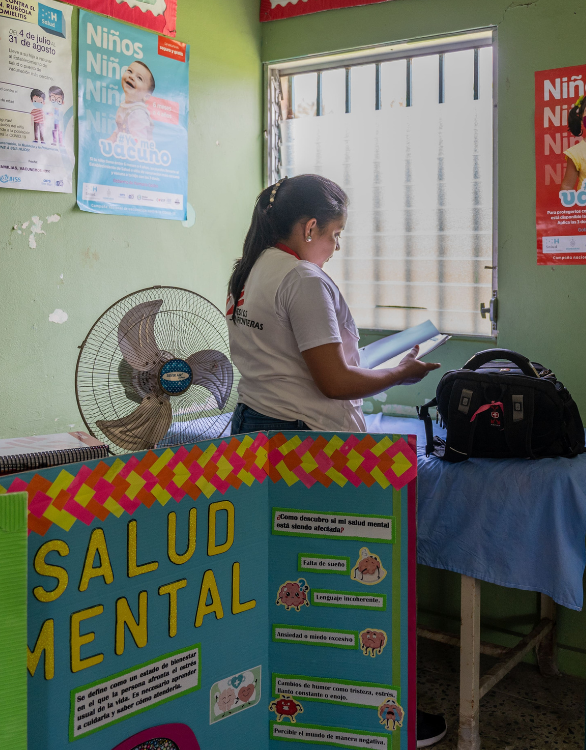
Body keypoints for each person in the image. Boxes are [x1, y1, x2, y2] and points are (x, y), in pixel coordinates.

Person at [225, 174, 448, 748]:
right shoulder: (303, 279)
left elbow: (288, 364)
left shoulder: (251, 271)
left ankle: (285, 713)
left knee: (282, 584)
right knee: (348, 586)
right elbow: (333, 381)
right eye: (335, 233)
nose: (336, 246)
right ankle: (371, 717)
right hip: (309, 447)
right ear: (308, 228)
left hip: (255, 434)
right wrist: (399, 372)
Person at [110, 61, 155, 143]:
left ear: (146, 96)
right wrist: (112, 139)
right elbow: (121, 129)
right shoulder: (126, 106)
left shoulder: (138, 113)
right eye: (130, 71)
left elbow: (140, 141)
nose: (131, 77)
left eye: (139, 78)